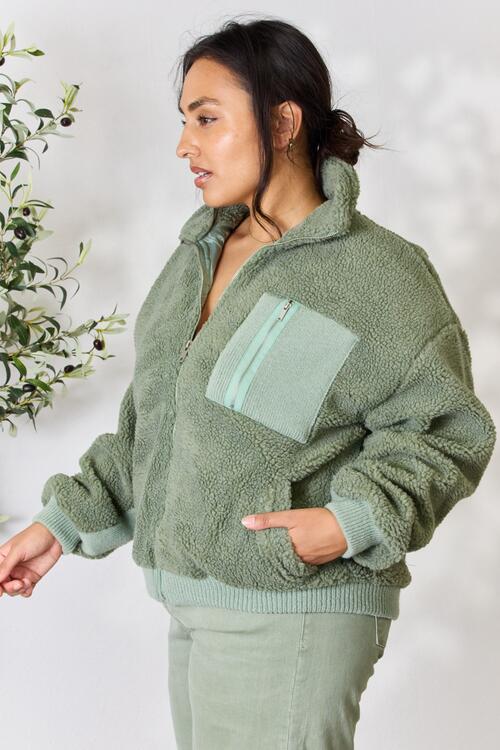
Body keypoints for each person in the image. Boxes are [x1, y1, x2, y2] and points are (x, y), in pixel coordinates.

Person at [0, 16, 496, 750]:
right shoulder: (197, 255)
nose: (184, 145)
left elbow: (447, 429)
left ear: (284, 122)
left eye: (206, 119)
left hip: (296, 612)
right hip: (196, 604)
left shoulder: (377, 274)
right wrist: (61, 525)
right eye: (184, 121)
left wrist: (350, 522)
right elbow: (155, 425)